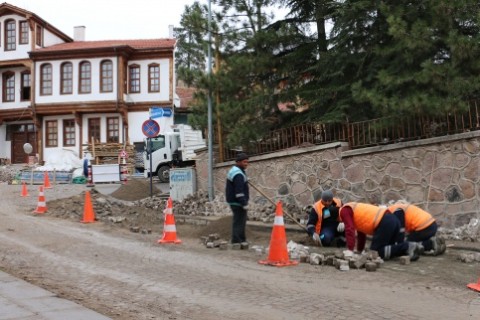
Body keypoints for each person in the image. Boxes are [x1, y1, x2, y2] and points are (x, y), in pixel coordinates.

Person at [339, 202, 421, 261]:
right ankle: (409, 250)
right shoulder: (354, 210)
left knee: (376, 252)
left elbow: (349, 229)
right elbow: (361, 232)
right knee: (388, 252)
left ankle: (407, 246)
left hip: (385, 222)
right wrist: (360, 250)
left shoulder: (344, 210)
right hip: (392, 220)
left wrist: (350, 250)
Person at [225, 152, 250, 244]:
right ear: (238, 162)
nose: (246, 164)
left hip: (234, 201)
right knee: (239, 222)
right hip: (237, 202)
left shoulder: (236, 171)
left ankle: (242, 239)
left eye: (247, 162)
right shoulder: (238, 174)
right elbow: (239, 192)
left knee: (240, 221)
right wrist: (244, 203)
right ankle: (237, 241)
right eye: (244, 162)